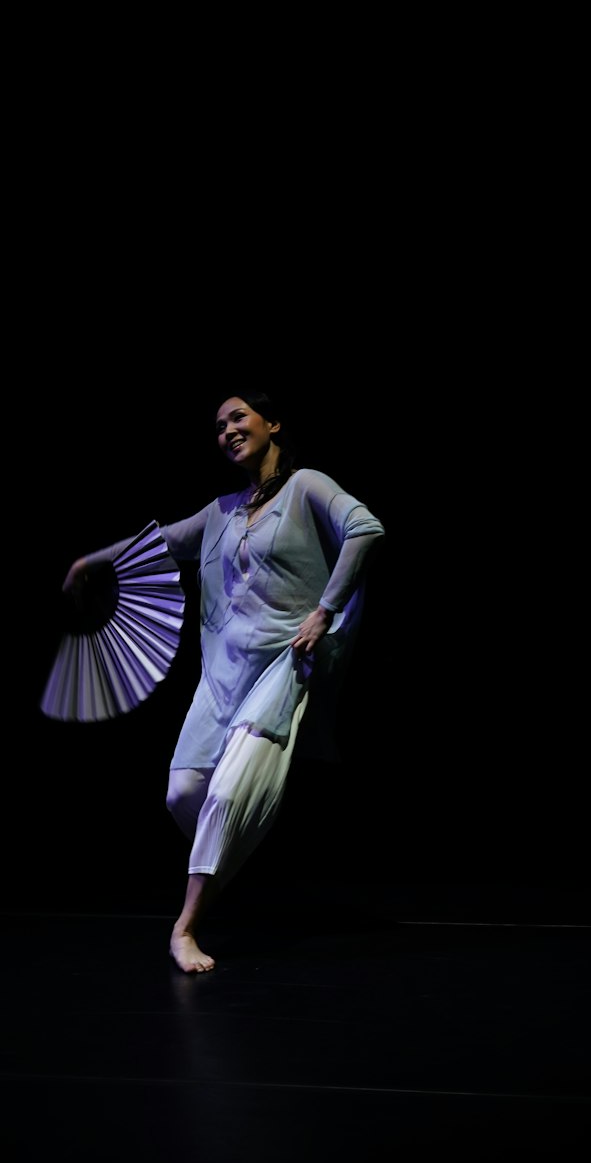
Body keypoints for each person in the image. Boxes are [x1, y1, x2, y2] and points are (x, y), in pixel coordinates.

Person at [61, 387, 385, 973]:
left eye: (239, 417)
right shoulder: (220, 512)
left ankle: (184, 928)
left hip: (282, 666)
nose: (228, 429)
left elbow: (366, 529)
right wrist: (91, 562)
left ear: (274, 423)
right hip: (221, 676)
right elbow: (155, 545)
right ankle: (235, 866)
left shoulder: (305, 485)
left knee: (229, 796)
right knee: (185, 795)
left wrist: (324, 611)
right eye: (218, 426)